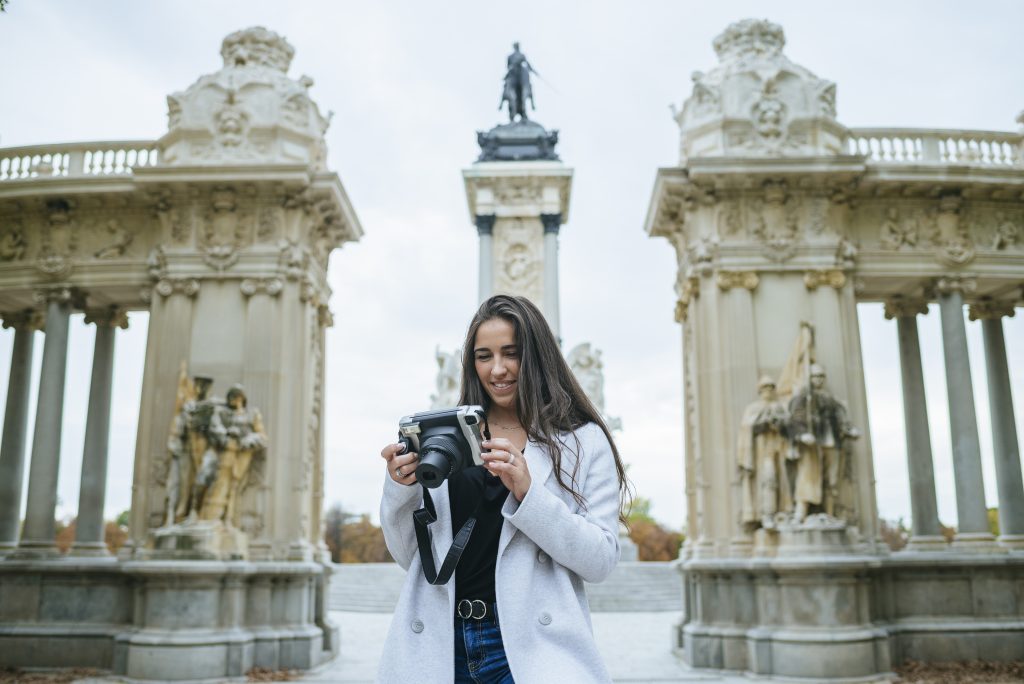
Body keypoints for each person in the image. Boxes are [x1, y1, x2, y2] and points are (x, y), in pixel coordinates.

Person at [378, 294, 630, 683]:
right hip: (440, 645)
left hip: (530, 647)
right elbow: (409, 557)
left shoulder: (582, 440)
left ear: (538, 356)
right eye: (483, 356)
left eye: (511, 353)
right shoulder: (444, 436)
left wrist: (530, 492)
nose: (497, 369)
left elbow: (599, 561)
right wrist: (401, 488)